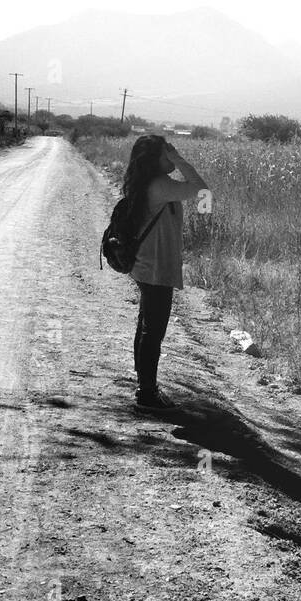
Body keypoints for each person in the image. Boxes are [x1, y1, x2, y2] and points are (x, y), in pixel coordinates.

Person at [121, 133, 209, 411]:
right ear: (154, 160)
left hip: (147, 265)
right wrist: (179, 159)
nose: (171, 154)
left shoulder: (151, 183)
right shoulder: (159, 185)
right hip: (155, 268)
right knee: (153, 330)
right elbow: (201, 189)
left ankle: (144, 385)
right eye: (165, 152)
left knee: (146, 324)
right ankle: (147, 393)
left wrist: (170, 157)